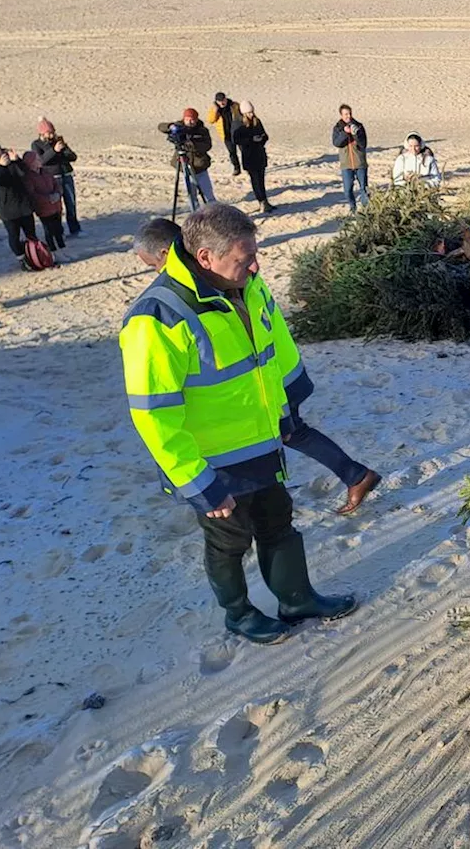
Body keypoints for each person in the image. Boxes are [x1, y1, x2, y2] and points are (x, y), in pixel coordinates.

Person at [120, 203, 358, 644]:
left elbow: (275, 339)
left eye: (255, 253)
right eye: (244, 257)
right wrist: (196, 480)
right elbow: (153, 413)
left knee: (278, 523)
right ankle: (240, 614)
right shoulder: (158, 317)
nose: (256, 264)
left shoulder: (246, 283)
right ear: (205, 258)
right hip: (213, 461)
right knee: (228, 541)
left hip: (262, 438)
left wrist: (290, 399)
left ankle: (297, 598)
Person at [131, 215, 382, 514]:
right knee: (294, 433)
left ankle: (356, 475)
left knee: (292, 433)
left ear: (166, 254)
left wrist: (284, 390)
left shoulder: (233, 277)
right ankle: (355, 474)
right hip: (278, 377)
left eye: (153, 266)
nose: (158, 273)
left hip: (273, 382)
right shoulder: (234, 275)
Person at [0, 139, 39, 269]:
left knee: (31, 233)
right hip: (6, 207)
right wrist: (1, 166)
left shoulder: (8, 160)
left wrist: (16, 161)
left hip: (22, 203)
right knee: (14, 236)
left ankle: (35, 256)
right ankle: (22, 259)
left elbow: (23, 174)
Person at [158, 109, 215, 212]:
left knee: (208, 195)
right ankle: (196, 215)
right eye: (187, 119)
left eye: (192, 120)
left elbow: (207, 145)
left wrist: (192, 145)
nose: (190, 122)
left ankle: (214, 214)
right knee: (191, 196)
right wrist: (171, 126)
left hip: (200, 167)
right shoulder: (180, 127)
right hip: (185, 167)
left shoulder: (202, 130)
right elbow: (161, 127)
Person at [32, 118, 80, 236]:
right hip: (52, 178)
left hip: (66, 175)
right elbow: (41, 161)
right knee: (56, 206)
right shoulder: (36, 145)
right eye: (49, 132)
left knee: (71, 203)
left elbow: (73, 157)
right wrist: (54, 150)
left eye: (53, 132)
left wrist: (64, 149)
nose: (52, 135)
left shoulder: (58, 141)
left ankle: (75, 229)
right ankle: (59, 232)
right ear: (42, 133)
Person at [231, 101, 273, 213]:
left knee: (261, 179)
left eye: (252, 112)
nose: (251, 114)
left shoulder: (256, 121)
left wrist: (262, 138)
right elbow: (235, 139)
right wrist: (251, 140)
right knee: (255, 180)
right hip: (249, 156)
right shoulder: (237, 123)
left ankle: (265, 201)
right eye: (248, 113)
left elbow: (265, 134)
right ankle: (261, 201)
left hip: (259, 154)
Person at [22, 150, 66, 255]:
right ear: (31, 162)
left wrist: (57, 193)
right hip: (44, 209)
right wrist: (48, 198)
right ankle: (53, 251)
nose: (39, 160)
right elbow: (33, 194)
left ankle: (63, 249)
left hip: (56, 205)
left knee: (58, 229)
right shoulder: (29, 177)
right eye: (37, 159)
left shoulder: (46, 172)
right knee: (49, 230)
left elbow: (56, 184)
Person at [332, 104, 368, 211]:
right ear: (341, 115)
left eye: (350, 113)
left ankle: (366, 210)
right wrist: (345, 133)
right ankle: (353, 208)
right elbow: (337, 143)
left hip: (360, 162)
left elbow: (363, 144)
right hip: (346, 164)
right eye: (346, 114)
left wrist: (355, 134)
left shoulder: (359, 126)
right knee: (347, 190)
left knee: (364, 189)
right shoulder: (337, 128)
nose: (348, 116)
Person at [207, 92, 244, 176]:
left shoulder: (234, 105)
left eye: (223, 100)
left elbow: (242, 115)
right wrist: (215, 111)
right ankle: (236, 168)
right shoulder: (214, 109)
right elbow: (210, 120)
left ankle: (248, 167)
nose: (222, 103)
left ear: (226, 99)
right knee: (232, 152)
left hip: (238, 132)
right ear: (216, 101)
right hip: (226, 135)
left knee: (244, 151)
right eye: (220, 101)